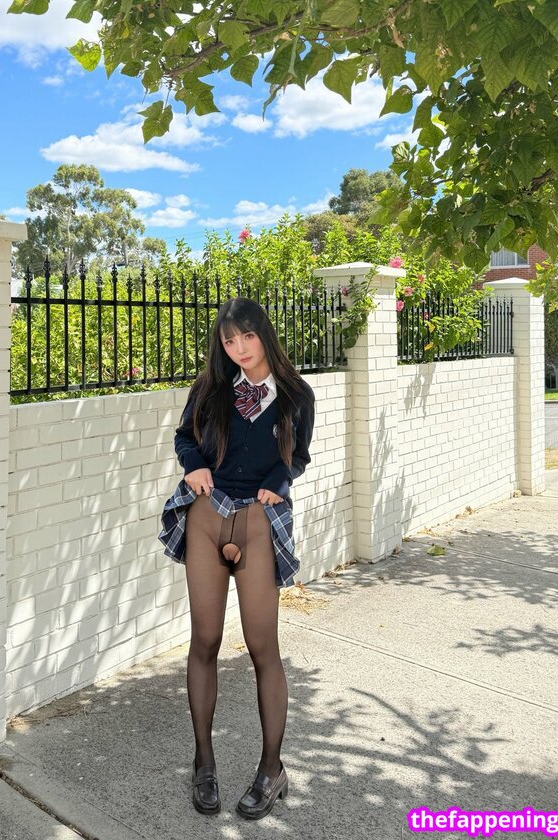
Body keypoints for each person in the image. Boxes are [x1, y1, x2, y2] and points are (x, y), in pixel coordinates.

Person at [158, 296, 316, 820]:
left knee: (261, 645)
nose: (240, 348)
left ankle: (272, 769)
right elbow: (185, 438)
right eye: (229, 340)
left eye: (247, 336)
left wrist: (278, 481)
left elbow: (298, 456)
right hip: (207, 518)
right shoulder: (210, 389)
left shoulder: (296, 395)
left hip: (257, 523)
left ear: (263, 334)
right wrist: (193, 466)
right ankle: (204, 762)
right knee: (204, 640)